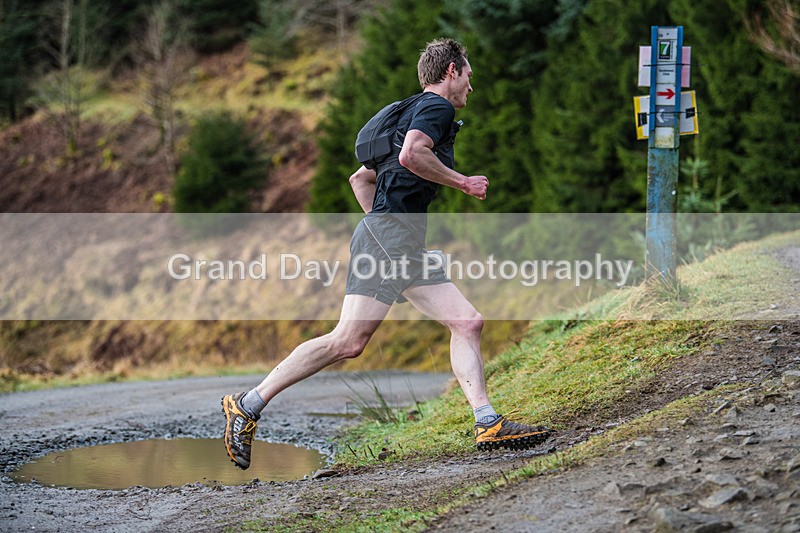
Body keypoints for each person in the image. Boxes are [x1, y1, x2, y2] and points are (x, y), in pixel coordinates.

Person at [222, 38, 552, 470]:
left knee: (468, 322)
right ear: (452, 71)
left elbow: (360, 180)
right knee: (348, 341)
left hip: (398, 239)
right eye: (469, 76)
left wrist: (387, 228)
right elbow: (412, 154)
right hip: (391, 237)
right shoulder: (436, 108)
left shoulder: (410, 111)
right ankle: (246, 405)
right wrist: (462, 183)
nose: (472, 87)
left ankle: (486, 421)